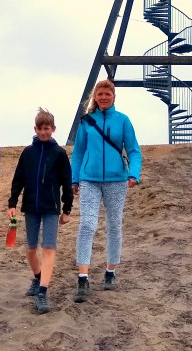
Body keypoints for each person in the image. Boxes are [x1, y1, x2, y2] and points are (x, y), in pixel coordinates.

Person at [70, 79, 141, 303]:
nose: (103, 97)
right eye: (99, 94)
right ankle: (83, 276)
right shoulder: (86, 122)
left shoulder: (123, 121)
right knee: (87, 225)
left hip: (116, 181)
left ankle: (110, 271)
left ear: (113, 97)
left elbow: (134, 151)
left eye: (107, 94)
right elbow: (78, 153)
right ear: (95, 97)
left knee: (113, 224)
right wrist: (74, 179)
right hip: (89, 179)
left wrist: (133, 174)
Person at [7, 108, 73, 314]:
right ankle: (37, 278)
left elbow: (66, 183)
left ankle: (43, 292)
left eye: (47, 129)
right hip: (30, 207)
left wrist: (67, 209)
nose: (44, 132)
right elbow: (18, 179)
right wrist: (12, 203)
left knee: (49, 248)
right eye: (40, 129)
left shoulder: (59, 154)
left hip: (52, 208)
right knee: (30, 248)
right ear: (35, 129)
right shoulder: (28, 152)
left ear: (53, 129)